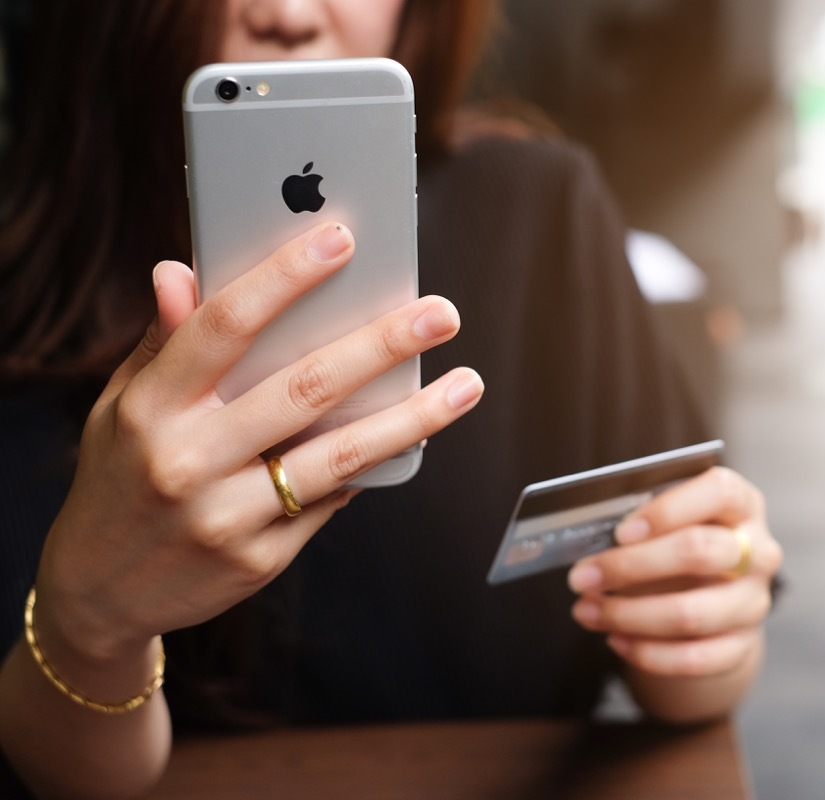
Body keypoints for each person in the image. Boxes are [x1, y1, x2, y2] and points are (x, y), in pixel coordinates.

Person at [0, 2, 783, 798]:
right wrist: (89, 629)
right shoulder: (28, 295)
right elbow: (69, 780)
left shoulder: (537, 206)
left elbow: (686, 678)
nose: (289, 15)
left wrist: (707, 617)